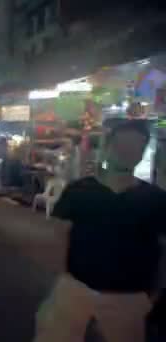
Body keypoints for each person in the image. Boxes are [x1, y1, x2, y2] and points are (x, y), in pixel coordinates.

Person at [33, 120, 166, 342]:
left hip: (129, 297)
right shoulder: (79, 190)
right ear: (109, 147)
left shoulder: (156, 200)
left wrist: (155, 294)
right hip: (75, 290)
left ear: (142, 153)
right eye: (122, 144)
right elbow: (57, 237)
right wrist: (62, 282)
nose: (128, 151)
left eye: (136, 146)